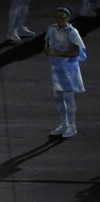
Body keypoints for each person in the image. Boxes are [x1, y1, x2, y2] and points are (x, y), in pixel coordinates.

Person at [45, 5, 87, 138]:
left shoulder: (72, 32)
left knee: (69, 97)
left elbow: (76, 51)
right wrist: (48, 51)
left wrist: (57, 52)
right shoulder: (52, 29)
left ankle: (72, 126)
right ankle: (63, 124)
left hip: (69, 69)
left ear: (67, 18)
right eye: (57, 18)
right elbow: (47, 44)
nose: (59, 20)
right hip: (56, 68)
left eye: (62, 18)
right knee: (58, 97)